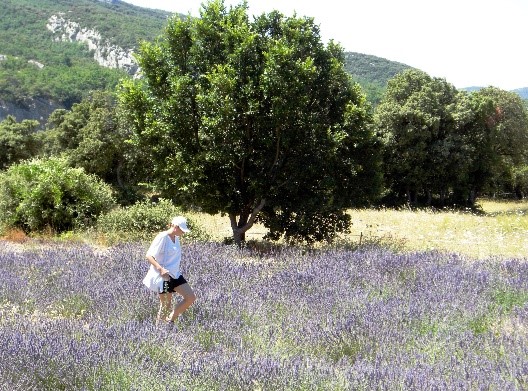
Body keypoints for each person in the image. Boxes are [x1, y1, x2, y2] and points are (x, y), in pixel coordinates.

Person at [143, 216, 196, 325]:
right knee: (166, 304)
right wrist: (160, 269)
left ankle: (169, 320)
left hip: (175, 275)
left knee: (190, 297)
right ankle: (159, 331)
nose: (183, 232)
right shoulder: (162, 237)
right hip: (164, 277)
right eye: (182, 229)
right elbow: (149, 255)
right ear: (175, 227)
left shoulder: (176, 238)